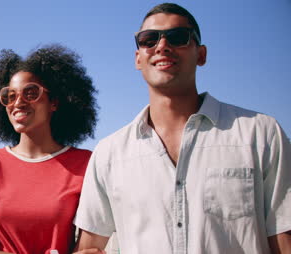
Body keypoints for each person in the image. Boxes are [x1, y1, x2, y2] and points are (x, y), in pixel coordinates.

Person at [73, 3, 291, 254]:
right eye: (148, 39)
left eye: (178, 37)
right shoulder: (108, 154)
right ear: (138, 59)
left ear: (201, 55)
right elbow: (88, 248)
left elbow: (283, 239)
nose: (162, 46)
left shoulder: (260, 135)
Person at [0, 44, 100, 254]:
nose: (18, 102)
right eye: (10, 96)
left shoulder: (85, 163)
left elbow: (89, 244)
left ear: (54, 102)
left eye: (30, 93)